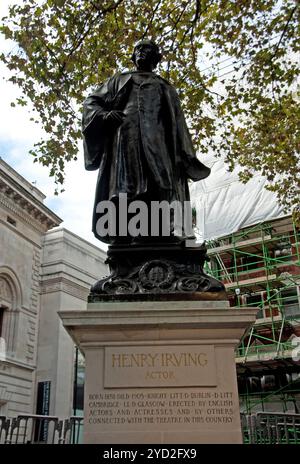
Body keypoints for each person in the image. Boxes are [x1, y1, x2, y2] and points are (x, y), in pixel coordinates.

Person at [82, 39, 210, 244]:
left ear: (157, 58)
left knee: (160, 184)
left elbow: (177, 123)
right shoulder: (119, 80)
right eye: (138, 49)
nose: (142, 52)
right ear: (133, 56)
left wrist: (184, 155)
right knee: (127, 186)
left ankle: (162, 231)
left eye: (147, 49)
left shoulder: (164, 86)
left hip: (159, 144)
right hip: (125, 141)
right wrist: (104, 115)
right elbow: (91, 102)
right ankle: (127, 232)